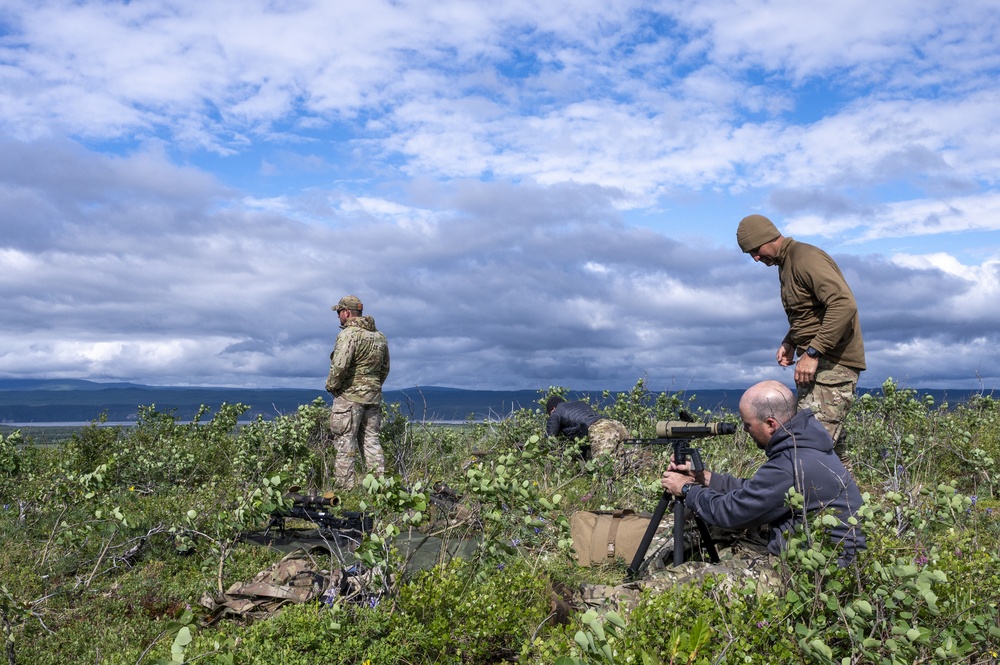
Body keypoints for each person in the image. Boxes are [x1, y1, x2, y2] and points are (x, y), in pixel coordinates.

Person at [660, 380, 865, 565]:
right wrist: (704, 478)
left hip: (819, 570)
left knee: (699, 582)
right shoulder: (805, 445)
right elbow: (757, 491)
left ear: (770, 424)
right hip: (828, 555)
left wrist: (686, 488)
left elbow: (730, 512)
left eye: (748, 425)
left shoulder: (789, 463)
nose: (746, 430)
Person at [736, 213, 865, 466]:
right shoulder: (786, 264)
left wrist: (813, 352)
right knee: (831, 448)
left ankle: (809, 504)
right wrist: (791, 341)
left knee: (810, 449)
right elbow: (807, 312)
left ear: (768, 238)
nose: (756, 258)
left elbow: (843, 304)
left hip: (832, 363)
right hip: (820, 362)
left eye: (756, 250)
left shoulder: (806, 258)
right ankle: (847, 503)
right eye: (750, 254)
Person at [325, 295, 390, 490]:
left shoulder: (348, 334)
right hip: (373, 396)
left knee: (346, 440)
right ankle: (379, 488)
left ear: (346, 312)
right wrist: (373, 386)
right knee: (371, 440)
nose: (338, 317)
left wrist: (332, 386)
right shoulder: (379, 336)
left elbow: (339, 366)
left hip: (349, 397)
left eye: (339, 312)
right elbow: (385, 368)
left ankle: (345, 489)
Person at [545, 396, 629, 458]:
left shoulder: (556, 413)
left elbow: (550, 439)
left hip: (601, 430)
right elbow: (583, 435)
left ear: (553, 408)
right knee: (630, 461)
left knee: (603, 470)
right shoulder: (579, 403)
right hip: (616, 424)